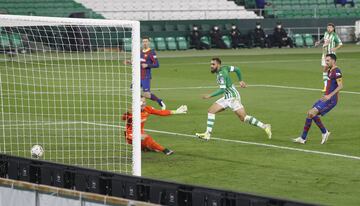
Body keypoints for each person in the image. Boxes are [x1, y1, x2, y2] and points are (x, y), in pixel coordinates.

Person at [195, 57, 272, 140]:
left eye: (213, 64)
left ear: (218, 65)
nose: (211, 66)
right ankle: (207, 134)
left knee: (244, 118)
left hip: (232, 97)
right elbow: (237, 69)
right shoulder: (225, 68)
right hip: (227, 97)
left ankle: (265, 126)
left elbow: (222, 89)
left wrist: (209, 95)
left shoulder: (221, 75)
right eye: (211, 64)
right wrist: (241, 80)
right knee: (211, 111)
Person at [293, 54, 343, 144]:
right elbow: (324, 71)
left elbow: (340, 86)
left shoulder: (337, 71)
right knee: (310, 113)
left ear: (333, 61)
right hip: (325, 97)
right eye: (326, 60)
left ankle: (323, 132)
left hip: (331, 100)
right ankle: (304, 138)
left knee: (311, 113)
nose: (326, 62)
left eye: (328, 60)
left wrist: (330, 95)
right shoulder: (330, 70)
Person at [122, 97, 188, 155]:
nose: (143, 103)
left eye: (144, 101)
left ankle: (144, 148)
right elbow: (123, 118)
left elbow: (161, 112)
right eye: (141, 102)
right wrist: (129, 112)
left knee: (145, 141)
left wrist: (175, 111)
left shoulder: (148, 109)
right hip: (130, 135)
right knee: (146, 138)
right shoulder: (132, 112)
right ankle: (165, 150)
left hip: (140, 133)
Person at [125, 36, 166, 109]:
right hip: (137, 76)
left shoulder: (151, 52)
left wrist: (147, 65)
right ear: (142, 43)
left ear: (149, 42)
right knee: (133, 90)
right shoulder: (139, 52)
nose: (145, 43)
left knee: (147, 94)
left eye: (146, 41)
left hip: (145, 76)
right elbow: (137, 63)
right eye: (143, 41)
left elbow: (157, 64)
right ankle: (141, 102)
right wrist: (130, 62)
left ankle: (160, 101)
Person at [315, 23, 343, 92]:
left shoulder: (335, 36)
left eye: (330, 27)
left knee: (327, 69)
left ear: (333, 28)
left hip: (331, 55)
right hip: (324, 54)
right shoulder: (326, 33)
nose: (329, 29)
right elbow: (323, 38)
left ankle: (328, 85)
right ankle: (327, 85)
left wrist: (335, 48)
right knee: (326, 70)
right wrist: (319, 42)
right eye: (328, 27)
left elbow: (340, 44)